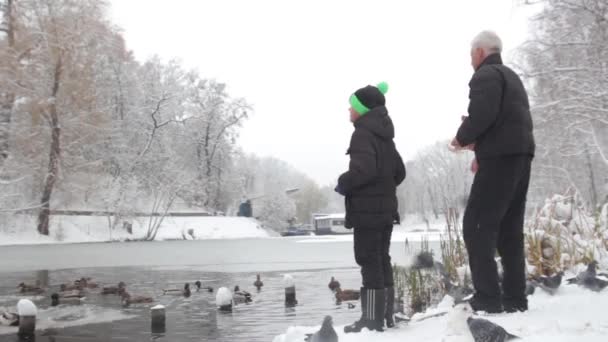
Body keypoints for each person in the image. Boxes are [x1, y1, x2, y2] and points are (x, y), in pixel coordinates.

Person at [450, 31, 535, 313]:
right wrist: (480, 145)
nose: (470, 60)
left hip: (500, 159)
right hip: (521, 156)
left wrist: (461, 138)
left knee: (476, 226)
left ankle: (487, 297)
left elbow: (483, 115)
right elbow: (505, 121)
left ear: (480, 52)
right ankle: (515, 298)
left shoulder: (485, 76)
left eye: (471, 54)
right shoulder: (512, 77)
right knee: (510, 228)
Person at [335, 82, 406, 332]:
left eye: (351, 106)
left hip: (367, 211)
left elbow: (363, 171)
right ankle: (386, 317)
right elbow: (399, 172)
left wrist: (344, 183)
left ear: (362, 109)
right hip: (386, 210)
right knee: (381, 259)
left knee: (368, 259)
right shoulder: (385, 136)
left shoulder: (362, 134)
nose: (348, 111)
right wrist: (383, 187)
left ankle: (372, 320)